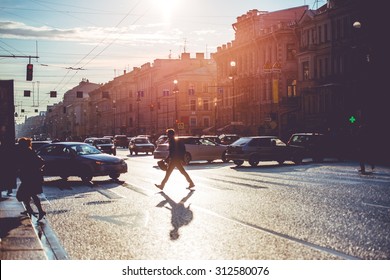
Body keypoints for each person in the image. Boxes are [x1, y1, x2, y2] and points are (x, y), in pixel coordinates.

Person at [15, 137, 46, 221]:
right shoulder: (27, 151)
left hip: (31, 177)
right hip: (30, 177)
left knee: (23, 194)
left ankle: (36, 210)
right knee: (29, 194)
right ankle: (32, 210)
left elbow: (30, 163)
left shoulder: (27, 152)